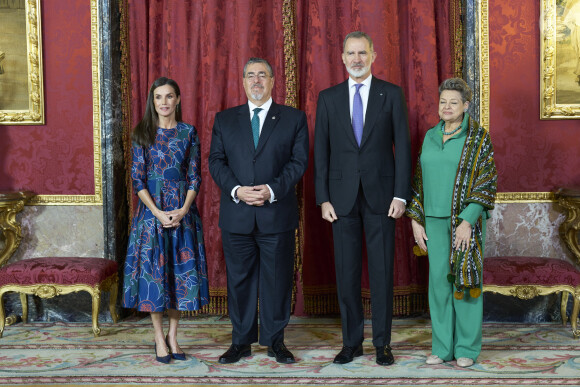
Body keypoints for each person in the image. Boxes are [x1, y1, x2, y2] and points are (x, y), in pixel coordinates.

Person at [313, 31, 412, 366]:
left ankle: (382, 344)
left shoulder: (392, 94)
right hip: (340, 201)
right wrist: (323, 198)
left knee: (383, 274)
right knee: (347, 274)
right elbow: (321, 155)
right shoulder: (327, 98)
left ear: (373, 55)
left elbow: (404, 149)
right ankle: (351, 343)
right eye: (350, 53)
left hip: (383, 198)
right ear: (342, 58)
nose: (356, 59)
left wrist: (402, 195)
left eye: (362, 53)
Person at [208, 58, 309, 364]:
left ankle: (275, 341)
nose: (256, 81)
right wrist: (238, 191)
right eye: (250, 76)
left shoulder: (293, 118)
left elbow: (298, 162)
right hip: (237, 214)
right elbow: (216, 161)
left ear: (273, 80)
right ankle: (241, 342)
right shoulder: (225, 119)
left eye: (262, 75)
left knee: (277, 280)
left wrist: (271, 190)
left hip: (275, 214)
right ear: (243, 82)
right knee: (239, 281)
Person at [406, 78, 497, 368]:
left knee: (466, 284)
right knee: (438, 285)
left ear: (466, 106)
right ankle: (441, 347)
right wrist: (416, 220)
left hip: (464, 222)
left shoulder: (479, 139)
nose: (446, 107)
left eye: (453, 102)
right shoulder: (430, 135)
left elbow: (487, 183)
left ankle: (466, 349)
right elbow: (418, 182)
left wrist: (468, 220)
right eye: (443, 101)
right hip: (432, 221)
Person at [122, 77, 209, 364]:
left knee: (177, 276)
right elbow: (138, 179)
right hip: (151, 215)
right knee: (155, 277)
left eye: (169, 96)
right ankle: (158, 337)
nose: (164, 102)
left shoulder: (188, 133)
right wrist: (158, 212)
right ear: (153, 101)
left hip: (183, 214)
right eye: (158, 97)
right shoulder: (142, 134)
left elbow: (195, 176)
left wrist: (183, 210)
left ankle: (173, 335)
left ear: (178, 99)